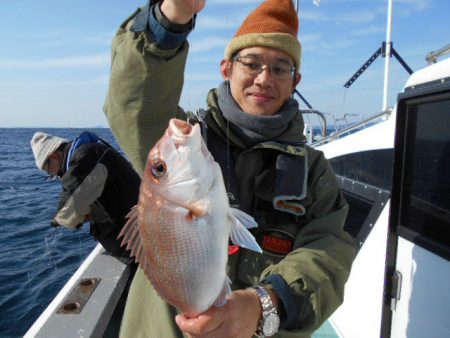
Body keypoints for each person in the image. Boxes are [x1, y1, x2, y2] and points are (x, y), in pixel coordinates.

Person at [104, 0, 356, 336]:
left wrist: (265, 304)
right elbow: (135, 104)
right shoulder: (187, 143)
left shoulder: (315, 171)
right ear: (226, 69)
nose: (264, 79)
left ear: (295, 80)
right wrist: (170, 19)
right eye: (251, 63)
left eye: (280, 68)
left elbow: (328, 252)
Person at [30, 131, 141, 259]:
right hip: (135, 235)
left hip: (135, 244)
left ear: (54, 156)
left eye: (49, 170)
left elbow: (69, 210)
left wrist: (56, 221)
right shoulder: (91, 152)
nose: (54, 175)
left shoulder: (84, 157)